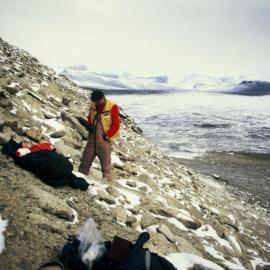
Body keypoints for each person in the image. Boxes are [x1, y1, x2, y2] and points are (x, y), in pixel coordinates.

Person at [79, 90, 120, 181]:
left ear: (102, 98)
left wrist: (107, 136)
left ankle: (107, 186)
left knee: (106, 167)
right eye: (95, 102)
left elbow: (116, 125)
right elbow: (90, 118)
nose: (96, 103)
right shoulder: (93, 106)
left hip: (104, 140)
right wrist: (89, 126)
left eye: (98, 101)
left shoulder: (112, 107)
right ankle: (80, 180)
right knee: (85, 162)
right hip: (92, 139)